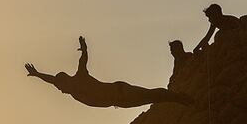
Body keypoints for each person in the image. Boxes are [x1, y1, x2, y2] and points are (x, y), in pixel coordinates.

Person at [25, 36, 192, 109]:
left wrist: (84, 49)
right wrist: (37, 74)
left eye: (60, 87)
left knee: (150, 94)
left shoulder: (79, 78)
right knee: (151, 99)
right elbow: (52, 80)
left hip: (120, 90)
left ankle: (179, 97)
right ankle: (178, 99)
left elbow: (82, 61)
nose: (61, 91)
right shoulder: (71, 89)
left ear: (66, 80)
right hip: (120, 101)